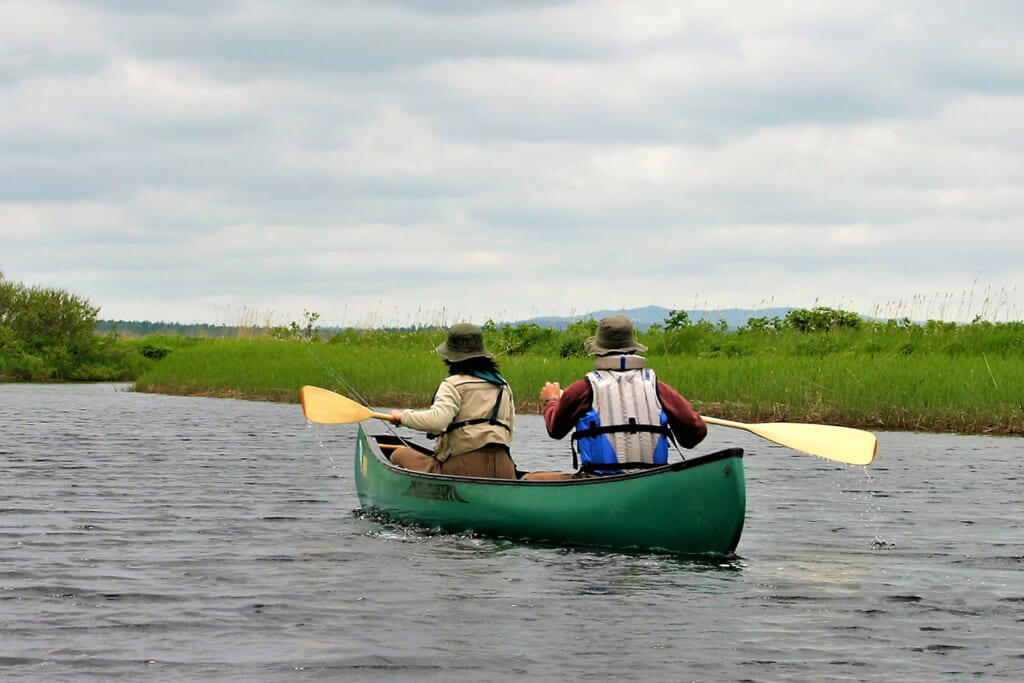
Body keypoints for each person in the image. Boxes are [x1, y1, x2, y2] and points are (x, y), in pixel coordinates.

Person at [523, 315, 706, 480]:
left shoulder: (583, 389)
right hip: (653, 481)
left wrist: (551, 400)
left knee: (529, 480)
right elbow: (695, 435)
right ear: (633, 349)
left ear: (598, 350)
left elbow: (556, 430)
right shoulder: (659, 388)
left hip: (597, 482)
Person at [388, 323, 518, 479]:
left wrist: (403, 417)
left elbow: (437, 422)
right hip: (504, 468)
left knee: (399, 454)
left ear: (450, 357)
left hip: (463, 469)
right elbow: (509, 430)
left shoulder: (453, 384)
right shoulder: (503, 385)